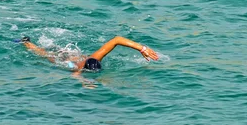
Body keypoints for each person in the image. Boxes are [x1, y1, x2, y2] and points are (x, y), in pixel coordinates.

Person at [16, 35, 159, 71]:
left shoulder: (95, 58)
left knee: (52, 49)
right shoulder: (77, 67)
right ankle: (26, 42)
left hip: (70, 53)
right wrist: (85, 81)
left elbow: (117, 39)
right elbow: (77, 75)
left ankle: (28, 42)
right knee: (44, 54)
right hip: (65, 59)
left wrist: (142, 48)